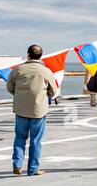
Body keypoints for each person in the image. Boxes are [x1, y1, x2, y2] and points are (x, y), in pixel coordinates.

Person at [4, 44, 58, 176]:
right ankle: (33, 168)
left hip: (21, 109)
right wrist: (44, 96)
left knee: (20, 137)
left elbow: (9, 87)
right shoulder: (45, 71)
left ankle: (17, 165)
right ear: (40, 56)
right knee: (36, 141)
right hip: (38, 110)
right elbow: (53, 91)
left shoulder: (18, 70)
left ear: (28, 55)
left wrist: (20, 96)